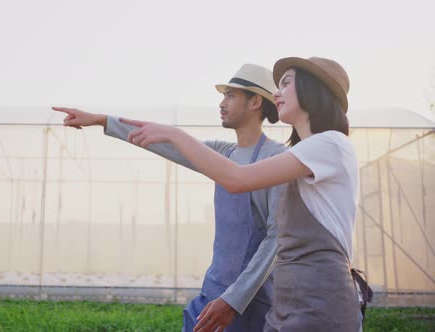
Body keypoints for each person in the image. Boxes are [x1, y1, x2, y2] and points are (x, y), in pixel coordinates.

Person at [119, 57, 362, 331]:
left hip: (321, 302)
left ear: (312, 89)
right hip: (287, 301)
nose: (277, 93)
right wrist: (106, 122)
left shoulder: (330, 144)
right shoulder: (299, 156)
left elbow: (237, 179)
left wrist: (176, 134)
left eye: (285, 83)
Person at [53, 63, 287, 332]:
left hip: (249, 302)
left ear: (256, 101)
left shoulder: (276, 158)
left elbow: (274, 240)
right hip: (212, 292)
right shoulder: (225, 153)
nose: (222, 103)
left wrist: (234, 301)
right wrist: (103, 120)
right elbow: (167, 143)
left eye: (231, 96)